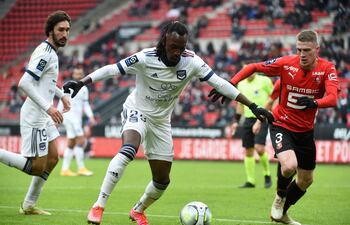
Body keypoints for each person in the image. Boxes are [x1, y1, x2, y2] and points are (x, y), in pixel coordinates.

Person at [63, 21, 273, 225]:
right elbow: (112, 69)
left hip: (161, 121)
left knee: (162, 181)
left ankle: (138, 210)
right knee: (128, 150)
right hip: (137, 110)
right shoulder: (145, 57)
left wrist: (253, 106)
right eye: (173, 47)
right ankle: (99, 205)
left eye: (181, 48)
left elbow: (219, 83)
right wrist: (82, 82)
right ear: (164, 41)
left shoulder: (191, 61)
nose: (177, 53)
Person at [209, 30, 339, 225]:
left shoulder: (327, 69)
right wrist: (231, 83)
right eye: (299, 50)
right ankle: (279, 197)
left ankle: (283, 212)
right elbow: (253, 67)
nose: (302, 54)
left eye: (307, 50)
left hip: (305, 131)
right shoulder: (287, 63)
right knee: (289, 166)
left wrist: (315, 103)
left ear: (316, 49)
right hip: (282, 124)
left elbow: (333, 98)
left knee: (306, 181)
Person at [0, 11, 71, 215]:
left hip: (44, 114)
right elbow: (25, 83)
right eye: (60, 30)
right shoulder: (45, 52)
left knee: (53, 158)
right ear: (50, 31)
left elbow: (44, 81)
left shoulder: (51, 51)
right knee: (36, 167)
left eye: (67, 30)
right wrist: (49, 107)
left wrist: (61, 94)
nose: (65, 34)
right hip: (35, 115)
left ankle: (29, 205)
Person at [231, 72, 273, 188]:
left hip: (262, 117)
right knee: (248, 150)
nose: (248, 73)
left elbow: (273, 97)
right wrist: (235, 121)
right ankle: (250, 181)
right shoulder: (241, 84)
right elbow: (240, 105)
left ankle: (267, 174)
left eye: (250, 70)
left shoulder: (265, 81)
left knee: (259, 148)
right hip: (248, 119)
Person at [58, 67, 95, 176]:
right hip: (70, 118)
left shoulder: (84, 89)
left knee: (71, 143)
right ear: (73, 75)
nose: (78, 76)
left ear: (83, 74)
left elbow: (86, 104)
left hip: (77, 120)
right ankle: (81, 168)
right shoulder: (68, 86)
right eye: (76, 74)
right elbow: (62, 101)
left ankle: (65, 169)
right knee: (81, 140)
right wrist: (58, 114)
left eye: (80, 73)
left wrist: (91, 116)